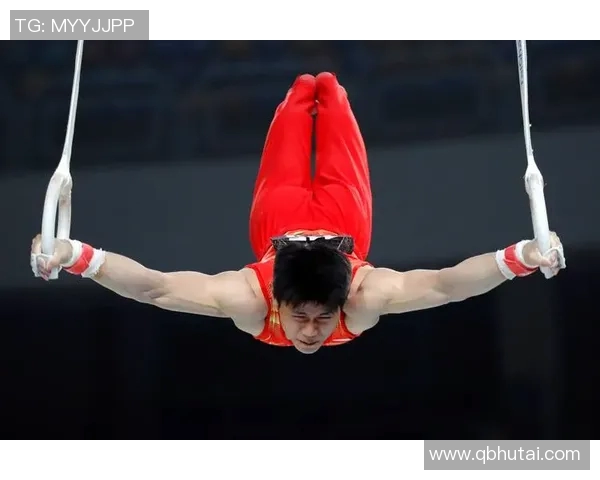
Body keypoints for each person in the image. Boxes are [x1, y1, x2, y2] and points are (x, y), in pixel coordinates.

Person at [30, 72, 566, 355]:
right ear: (282, 301)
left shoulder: (251, 301)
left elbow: (156, 287)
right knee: (331, 96)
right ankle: (325, 91)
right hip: (346, 219)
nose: (310, 331)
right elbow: (448, 285)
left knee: (300, 102)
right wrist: (520, 257)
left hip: (277, 220)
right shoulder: (364, 299)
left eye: (319, 319)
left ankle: (305, 95)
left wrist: (76, 256)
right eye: (305, 318)